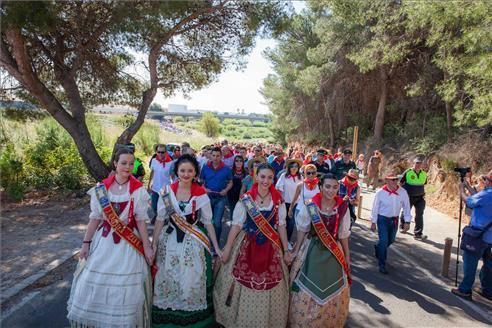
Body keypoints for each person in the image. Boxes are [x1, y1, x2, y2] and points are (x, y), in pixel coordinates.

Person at [67, 148, 153, 327]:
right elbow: (94, 219)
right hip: (104, 242)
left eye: (131, 163)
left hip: (129, 245)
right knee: (94, 281)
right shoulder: (101, 189)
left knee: (128, 289)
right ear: (115, 164)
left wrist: (147, 246)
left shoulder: (138, 191)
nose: (127, 167)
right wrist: (85, 243)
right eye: (123, 163)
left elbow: (141, 221)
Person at [213, 163, 290, 327]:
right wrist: (227, 249)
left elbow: (281, 226)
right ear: (256, 176)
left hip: (271, 246)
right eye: (263, 176)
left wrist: (286, 249)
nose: (266, 181)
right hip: (246, 243)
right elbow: (236, 225)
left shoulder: (278, 200)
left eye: (270, 177)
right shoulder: (246, 199)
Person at [151, 154, 221, 327]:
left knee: (191, 277)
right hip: (170, 239)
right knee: (168, 275)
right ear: (176, 172)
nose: (186, 173)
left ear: (195, 173)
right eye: (182, 170)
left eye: (190, 170)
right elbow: (160, 219)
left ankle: (192, 316)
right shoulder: (166, 192)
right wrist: (153, 243)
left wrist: (216, 248)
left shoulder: (200, 194)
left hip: (193, 242)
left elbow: (208, 221)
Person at [287, 173, 351, 327]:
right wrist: (295, 251)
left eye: (335, 187)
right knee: (306, 288)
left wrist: (347, 257)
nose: (331, 190)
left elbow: (343, 235)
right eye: (327, 186)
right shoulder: (311, 205)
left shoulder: (342, 207)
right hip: (311, 249)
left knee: (333, 288)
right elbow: (302, 231)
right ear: (321, 187)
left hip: (333, 252)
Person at [451, 170, 492, 301]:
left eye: (485, 178)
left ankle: (465, 289)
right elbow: (478, 199)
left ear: (489, 181)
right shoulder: (486, 194)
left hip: (478, 236)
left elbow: (469, 202)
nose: (484, 181)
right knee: (489, 264)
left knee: (470, 261)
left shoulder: (487, 194)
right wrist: (468, 186)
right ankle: (488, 290)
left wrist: (461, 190)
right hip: (490, 238)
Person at [370, 171, 412, 274]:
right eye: (392, 179)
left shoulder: (403, 192)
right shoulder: (380, 193)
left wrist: (407, 221)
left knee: (391, 240)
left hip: (394, 220)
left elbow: (407, 207)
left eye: (396, 179)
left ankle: (378, 248)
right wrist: (373, 222)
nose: (395, 181)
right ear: (387, 180)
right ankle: (382, 264)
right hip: (382, 219)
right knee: (384, 241)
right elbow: (375, 208)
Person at [199, 147, 233, 244]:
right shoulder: (205, 167)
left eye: (218, 156)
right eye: (213, 155)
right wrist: (204, 188)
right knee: (205, 221)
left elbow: (230, 182)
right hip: (207, 198)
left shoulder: (226, 169)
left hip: (220, 199)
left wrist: (226, 190)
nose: (215, 158)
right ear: (210, 156)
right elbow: (201, 181)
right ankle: (204, 243)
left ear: (221, 156)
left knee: (217, 223)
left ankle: (215, 245)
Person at [399, 156, 428, 240]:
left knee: (420, 214)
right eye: (416, 163)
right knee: (406, 211)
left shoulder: (424, 173)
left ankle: (418, 233)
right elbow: (400, 183)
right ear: (413, 163)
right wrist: (401, 194)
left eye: (419, 163)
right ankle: (402, 226)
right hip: (408, 196)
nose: (418, 165)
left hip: (420, 197)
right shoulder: (408, 172)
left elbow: (423, 183)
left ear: (422, 165)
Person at [276, 158, 303, 241]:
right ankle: (280, 240)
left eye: (296, 166)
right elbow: (278, 188)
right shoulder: (284, 176)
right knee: (283, 222)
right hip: (284, 203)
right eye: (292, 166)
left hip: (295, 204)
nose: (294, 168)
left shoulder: (300, 177)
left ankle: (287, 241)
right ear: (289, 168)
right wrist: (280, 199)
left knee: (291, 223)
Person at [148, 144, 174, 224]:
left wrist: (174, 188)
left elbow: (172, 176)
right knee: (154, 205)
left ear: (166, 152)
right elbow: (152, 172)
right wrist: (149, 184)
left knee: (168, 206)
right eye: (158, 152)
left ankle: (169, 220)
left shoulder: (171, 162)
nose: (160, 154)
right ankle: (157, 216)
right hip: (155, 187)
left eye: (162, 152)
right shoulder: (154, 161)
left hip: (165, 188)